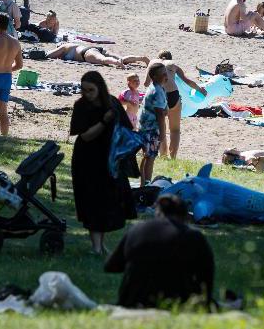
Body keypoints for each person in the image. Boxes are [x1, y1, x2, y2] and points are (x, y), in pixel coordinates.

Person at [104, 195, 214, 308]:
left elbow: (111, 266)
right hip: (177, 302)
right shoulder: (193, 237)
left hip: (134, 301)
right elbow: (206, 277)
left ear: (157, 213)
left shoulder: (137, 230)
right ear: (185, 216)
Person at [71, 71, 134, 255]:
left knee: (108, 201)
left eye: (91, 90)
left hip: (109, 159)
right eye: (84, 90)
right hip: (87, 159)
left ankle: (101, 244)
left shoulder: (113, 103)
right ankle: (96, 246)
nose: (87, 94)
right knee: (92, 201)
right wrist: (104, 122)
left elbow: (126, 129)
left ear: (100, 87)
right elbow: (86, 135)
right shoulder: (81, 106)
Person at [145, 51, 204, 159]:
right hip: (173, 95)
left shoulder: (153, 64)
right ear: (170, 58)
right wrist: (201, 90)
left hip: (158, 94)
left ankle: (163, 156)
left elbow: (146, 83)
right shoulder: (173, 65)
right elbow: (188, 81)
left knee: (161, 126)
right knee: (175, 130)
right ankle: (173, 157)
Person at [137, 63, 168, 183]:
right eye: (163, 74)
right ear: (154, 76)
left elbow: (163, 110)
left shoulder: (155, 88)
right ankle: (147, 184)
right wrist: (163, 132)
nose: (166, 76)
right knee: (150, 157)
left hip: (145, 127)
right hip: (151, 129)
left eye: (166, 73)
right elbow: (160, 114)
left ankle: (144, 183)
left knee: (147, 156)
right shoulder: (157, 91)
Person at [46, 42, 150, 69]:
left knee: (103, 60)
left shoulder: (63, 47)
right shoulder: (71, 45)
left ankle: (118, 63)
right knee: (120, 57)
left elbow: (49, 55)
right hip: (94, 48)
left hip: (86, 53)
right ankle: (141, 58)